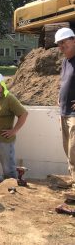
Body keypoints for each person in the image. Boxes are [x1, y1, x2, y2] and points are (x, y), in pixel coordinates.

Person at [55, 27, 75, 184]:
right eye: (58, 44)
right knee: (68, 154)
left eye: (64, 42)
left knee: (74, 153)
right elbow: (64, 83)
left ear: (73, 40)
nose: (61, 46)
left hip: (74, 117)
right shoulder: (64, 62)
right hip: (64, 113)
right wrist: (60, 97)